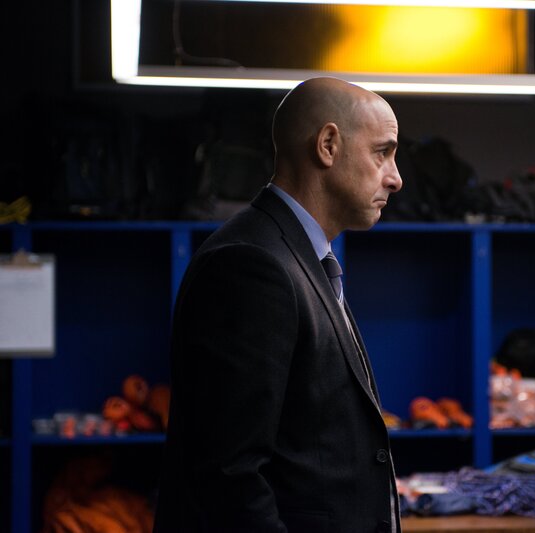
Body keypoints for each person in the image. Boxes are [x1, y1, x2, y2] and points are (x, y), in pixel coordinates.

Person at [153, 77, 403, 533]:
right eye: (382, 153)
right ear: (328, 145)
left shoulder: (300, 257)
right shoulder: (251, 264)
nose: (395, 177)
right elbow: (229, 478)